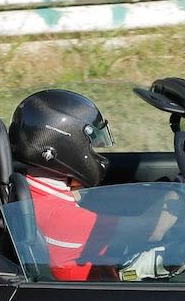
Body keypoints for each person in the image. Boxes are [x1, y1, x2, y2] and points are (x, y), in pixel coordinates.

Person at [8, 89, 113, 281]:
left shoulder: (28, 192)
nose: (97, 153)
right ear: (67, 148)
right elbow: (147, 233)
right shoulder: (66, 219)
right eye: (92, 146)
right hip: (96, 296)